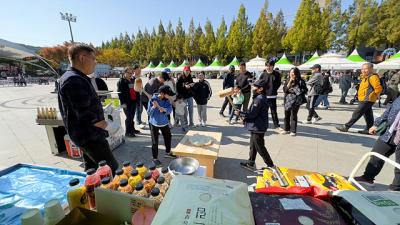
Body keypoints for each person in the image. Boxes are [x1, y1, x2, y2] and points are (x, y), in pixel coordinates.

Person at [58, 43, 119, 173]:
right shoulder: (74, 80)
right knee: (110, 169)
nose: (95, 63)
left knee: (92, 169)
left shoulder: (76, 77)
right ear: (82, 58)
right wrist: (109, 126)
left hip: (85, 135)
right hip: (90, 136)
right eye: (93, 58)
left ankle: (92, 191)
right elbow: (86, 115)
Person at [353, 96, 400, 191]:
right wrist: (376, 124)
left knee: (399, 164)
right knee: (377, 154)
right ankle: (367, 178)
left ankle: (396, 188)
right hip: (390, 132)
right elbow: (388, 111)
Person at [237, 79, 275, 170]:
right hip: (256, 126)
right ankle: (251, 162)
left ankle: (271, 165)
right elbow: (253, 113)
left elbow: (253, 114)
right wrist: (245, 118)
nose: (253, 88)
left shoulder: (259, 99)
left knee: (260, 147)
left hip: (258, 127)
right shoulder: (259, 97)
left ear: (260, 89)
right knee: (253, 146)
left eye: (255, 86)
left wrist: (241, 113)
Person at [336, 63, 383, 134]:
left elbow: (378, 88)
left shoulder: (373, 77)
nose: (363, 70)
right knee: (368, 115)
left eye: (365, 69)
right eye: (362, 69)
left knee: (357, 112)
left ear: (371, 69)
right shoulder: (365, 77)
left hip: (367, 99)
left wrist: (377, 96)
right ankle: (369, 129)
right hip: (364, 98)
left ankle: (346, 126)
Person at [148, 85, 176, 167]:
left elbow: (169, 110)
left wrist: (164, 109)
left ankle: (168, 152)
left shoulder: (166, 100)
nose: (169, 96)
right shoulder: (152, 100)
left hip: (164, 122)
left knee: (168, 136)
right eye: (168, 94)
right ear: (162, 93)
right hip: (154, 123)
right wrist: (153, 107)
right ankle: (155, 158)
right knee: (154, 141)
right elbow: (149, 113)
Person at [281, 67, 308, 136]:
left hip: (296, 100)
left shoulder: (300, 81)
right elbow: (285, 90)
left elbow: (305, 90)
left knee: (293, 115)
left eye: (293, 72)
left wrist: (296, 89)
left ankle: (293, 131)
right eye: (290, 72)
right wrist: (290, 81)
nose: (291, 74)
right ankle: (286, 129)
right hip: (287, 99)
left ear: (296, 73)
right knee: (286, 115)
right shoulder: (287, 80)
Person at [259, 59, 282, 131]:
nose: (268, 67)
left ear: (273, 66)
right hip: (264, 95)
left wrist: (273, 90)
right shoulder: (263, 74)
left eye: (270, 66)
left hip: (272, 96)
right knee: (263, 111)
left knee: (273, 111)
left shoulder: (277, 74)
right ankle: (263, 124)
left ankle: (276, 125)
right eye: (267, 66)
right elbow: (259, 83)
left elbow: (278, 84)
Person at [117, 67, 139, 137]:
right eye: (129, 73)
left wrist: (138, 100)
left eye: (131, 73)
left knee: (132, 116)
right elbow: (120, 93)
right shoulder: (121, 81)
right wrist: (123, 103)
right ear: (125, 73)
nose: (130, 74)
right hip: (126, 103)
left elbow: (136, 90)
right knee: (129, 117)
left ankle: (132, 129)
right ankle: (128, 132)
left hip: (133, 101)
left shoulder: (133, 80)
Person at [131, 64, 146, 129]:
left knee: (141, 109)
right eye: (138, 69)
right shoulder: (133, 78)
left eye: (140, 69)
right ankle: (138, 122)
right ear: (135, 70)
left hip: (140, 94)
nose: (139, 70)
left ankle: (139, 120)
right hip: (136, 96)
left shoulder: (139, 77)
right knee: (138, 109)